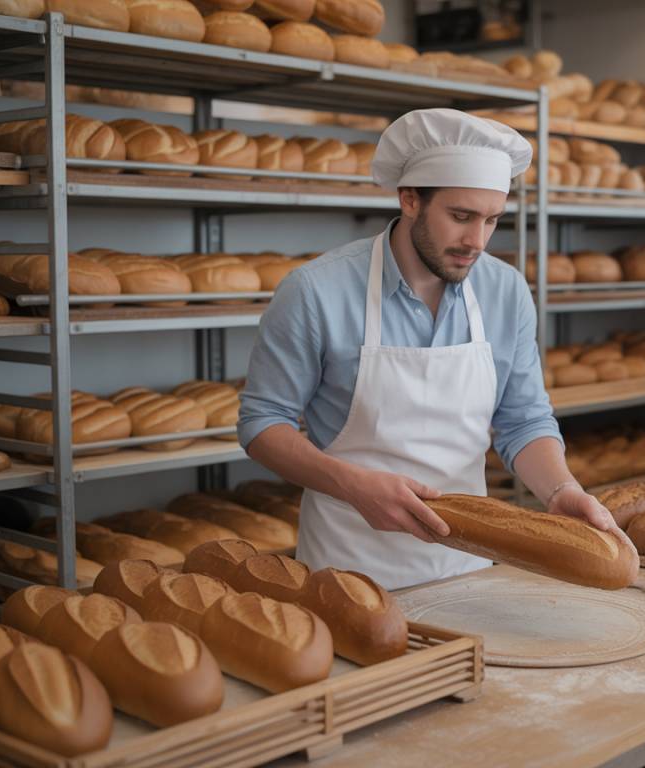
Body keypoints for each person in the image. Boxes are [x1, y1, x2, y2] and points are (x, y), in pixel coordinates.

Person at [238, 108, 618, 590]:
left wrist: (560, 490)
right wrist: (353, 485)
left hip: (469, 566)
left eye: (492, 220)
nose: (476, 241)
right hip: (348, 565)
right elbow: (262, 423)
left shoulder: (506, 292)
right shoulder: (316, 291)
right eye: (460, 217)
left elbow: (523, 420)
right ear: (410, 199)